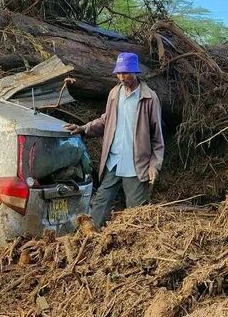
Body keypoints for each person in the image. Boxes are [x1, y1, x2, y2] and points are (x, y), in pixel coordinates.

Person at [64, 52, 164, 227]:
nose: (121, 77)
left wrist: (154, 165)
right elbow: (105, 120)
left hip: (136, 165)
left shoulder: (149, 98)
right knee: (100, 203)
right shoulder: (114, 94)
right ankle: (91, 240)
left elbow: (157, 138)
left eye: (125, 73)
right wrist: (83, 128)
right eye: (118, 73)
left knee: (137, 213)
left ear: (135, 72)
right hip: (114, 160)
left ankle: (135, 248)